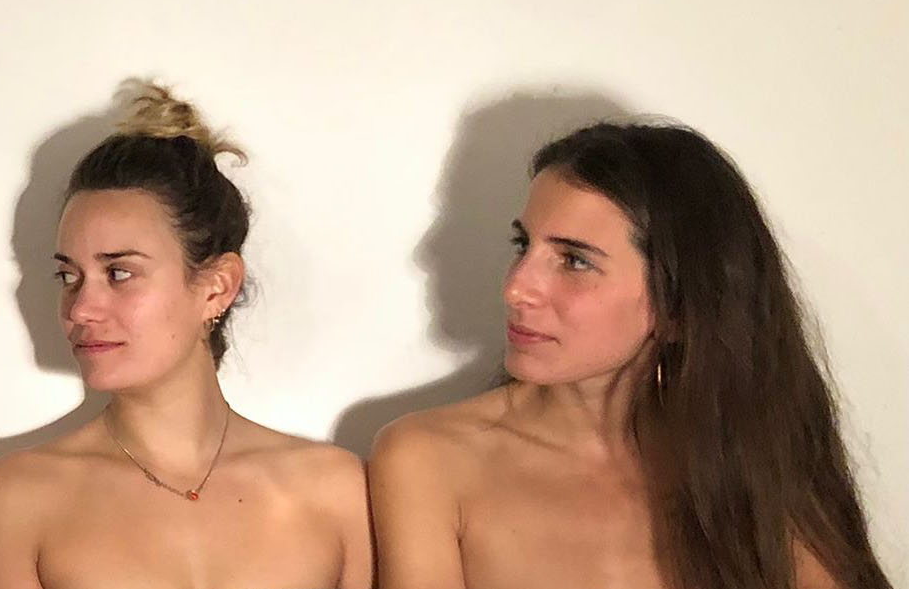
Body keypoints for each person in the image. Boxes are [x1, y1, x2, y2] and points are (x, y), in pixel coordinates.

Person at [370, 121, 895, 589]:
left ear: (680, 305)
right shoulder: (429, 459)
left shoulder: (755, 459)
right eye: (522, 245)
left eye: (574, 261)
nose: (516, 288)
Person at [0, 82, 371, 589]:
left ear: (217, 287)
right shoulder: (18, 499)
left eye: (119, 273)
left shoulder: (336, 490)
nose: (82, 309)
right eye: (68, 276)